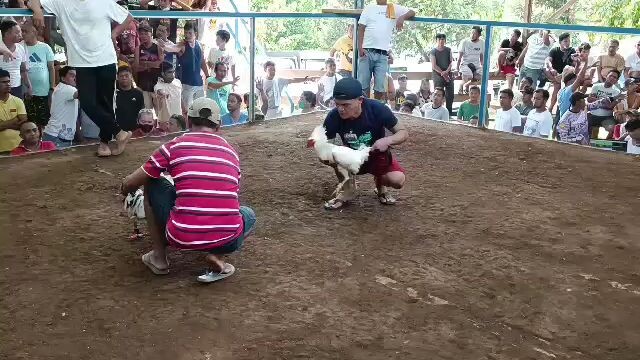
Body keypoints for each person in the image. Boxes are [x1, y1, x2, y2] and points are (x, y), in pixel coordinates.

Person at [120, 97, 256, 283]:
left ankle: (159, 259)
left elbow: (131, 183)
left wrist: (124, 187)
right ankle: (218, 256)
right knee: (248, 214)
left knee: (152, 182)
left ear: (189, 121)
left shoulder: (174, 146)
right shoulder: (231, 151)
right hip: (227, 236)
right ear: (219, 125)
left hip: (181, 236)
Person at [29, 0, 134, 157]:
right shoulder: (61, 2)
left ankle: (104, 143)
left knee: (105, 103)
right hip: (81, 63)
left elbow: (128, 17)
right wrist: (37, 11)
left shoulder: (103, 2)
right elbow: (32, 1)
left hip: (106, 60)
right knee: (87, 102)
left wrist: (113, 34)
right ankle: (119, 133)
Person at [321, 77, 407, 210]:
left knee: (397, 180)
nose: (340, 109)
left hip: (376, 156)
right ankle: (347, 188)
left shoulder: (377, 109)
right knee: (330, 155)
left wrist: (387, 140)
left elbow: (403, 132)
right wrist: (334, 154)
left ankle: (380, 186)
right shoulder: (333, 117)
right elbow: (325, 147)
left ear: (360, 100)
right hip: (352, 159)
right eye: (337, 104)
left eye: (345, 105)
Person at [356, 0, 415, 100]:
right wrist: (360, 48)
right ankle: (364, 112)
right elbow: (361, 27)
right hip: (366, 51)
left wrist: (402, 17)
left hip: (383, 54)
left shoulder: (393, 8)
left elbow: (412, 12)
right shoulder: (369, 8)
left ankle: (376, 111)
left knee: (380, 88)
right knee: (363, 87)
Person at [22, 23, 54, 128]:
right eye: (22, 31)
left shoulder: (45, 47)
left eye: (25, 31)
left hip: (43, 91)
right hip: (26, 91)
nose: (23, 34)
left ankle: (42, 143)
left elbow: (51, 68)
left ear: (34, 33)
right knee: (28, 121)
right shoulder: (20, 47)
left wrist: (52, 87)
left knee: (43, 120)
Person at [41, 66, 79, 148]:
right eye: (72, 75)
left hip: (54, 135)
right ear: (63, 78)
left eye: (76, 76)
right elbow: (84, 94)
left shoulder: (60, 88)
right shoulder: (68, 89)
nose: (75, 78)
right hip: (57, 137)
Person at [177, 21, 209, 112]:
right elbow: (172, 47)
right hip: (186, 83)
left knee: (200, 109)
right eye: (185, 32)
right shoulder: (182, 45)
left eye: (189, 32)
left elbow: (202, 61)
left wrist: (208, 76)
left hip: (198, 83)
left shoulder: (199, 45)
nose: (187, 35)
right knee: (187, 110)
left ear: (195, 33)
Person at [134, 22, 163, 110]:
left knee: (160, 113)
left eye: (146, 33)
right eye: (141, 34)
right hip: (143, 86)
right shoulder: (138, 49)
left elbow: (160, 65)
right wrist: (152, 64)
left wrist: (144, 64)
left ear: (151, 33)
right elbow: (136, 67)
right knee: (146, 112)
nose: (143, 36)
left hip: (157, 86)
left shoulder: (158, 48)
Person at [545, 33, 575, 113]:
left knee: (567, 70)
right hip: (555, 74)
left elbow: (573, 66)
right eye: (565, 41)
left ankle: (553, 107)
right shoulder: (555, 50)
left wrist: (562, 75)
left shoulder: (572, 50)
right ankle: (551, 107)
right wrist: (551, 69)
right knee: (547, 71)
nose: (567, 43)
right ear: (560, 42)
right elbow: (548, 61)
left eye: (568, 41)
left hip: (567, 75)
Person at [0, 20, 30, 99]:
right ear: (7, 34)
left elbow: (23, 70)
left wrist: (29, 86)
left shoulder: (21, 48)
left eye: (20, 32)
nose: (20, 35)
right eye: (17, 32)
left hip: (16, 88)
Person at [588, 69, 622, 138]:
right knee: (591, 134)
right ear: (606, 76)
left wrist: (598, 100)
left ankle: (606, 144)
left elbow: (610, 106)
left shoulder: (617, 92)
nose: (612, 78)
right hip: (593, 115)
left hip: (607, 117)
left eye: (615, 77)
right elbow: (590, 100)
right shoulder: (596, 86)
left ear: (617, 80)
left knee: (612, 129)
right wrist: (606, 100)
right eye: (611, 76)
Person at [0, 69, 26, 153]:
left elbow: (23, 124)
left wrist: (2, 124)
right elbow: (19, 121)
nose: (8, 84)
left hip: (19, 148)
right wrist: (15, 120)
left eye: (8, 81)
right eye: (4, 82)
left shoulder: (18, 101)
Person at [115, 66, 145, 132]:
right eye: (121, 76)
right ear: (117, 78)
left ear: (131, 76)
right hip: (117, 132)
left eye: (126, 75)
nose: (124, 78)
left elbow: (141, 113)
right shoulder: (113, 94)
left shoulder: (138, 93)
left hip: (134, 131)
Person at [430, 33, 454, 114]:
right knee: (438, 93)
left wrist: (447, 72)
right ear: (437, 40)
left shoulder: (448, 50)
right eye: (439, 39)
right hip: (437, 74)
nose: (441, 41)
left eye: (443, 39)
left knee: (450, 94)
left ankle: (449, 112)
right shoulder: (433, 51)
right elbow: (434, 66)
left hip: (448, 73)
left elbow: (451, 62)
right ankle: (437, 111)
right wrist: (443, 73)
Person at [457, 26, 484, 94]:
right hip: (465, 64)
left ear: (479, 35)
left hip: (476, 65)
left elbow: (481, 57)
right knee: (469, 74)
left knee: (483, 76)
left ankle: (466, 85)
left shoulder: (482, 42)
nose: (472, 35)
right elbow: (459, 57)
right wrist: (457, 68)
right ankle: (462, 87)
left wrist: (483, 67)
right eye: (471, 33)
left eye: (474, 33)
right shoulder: (464, 42)